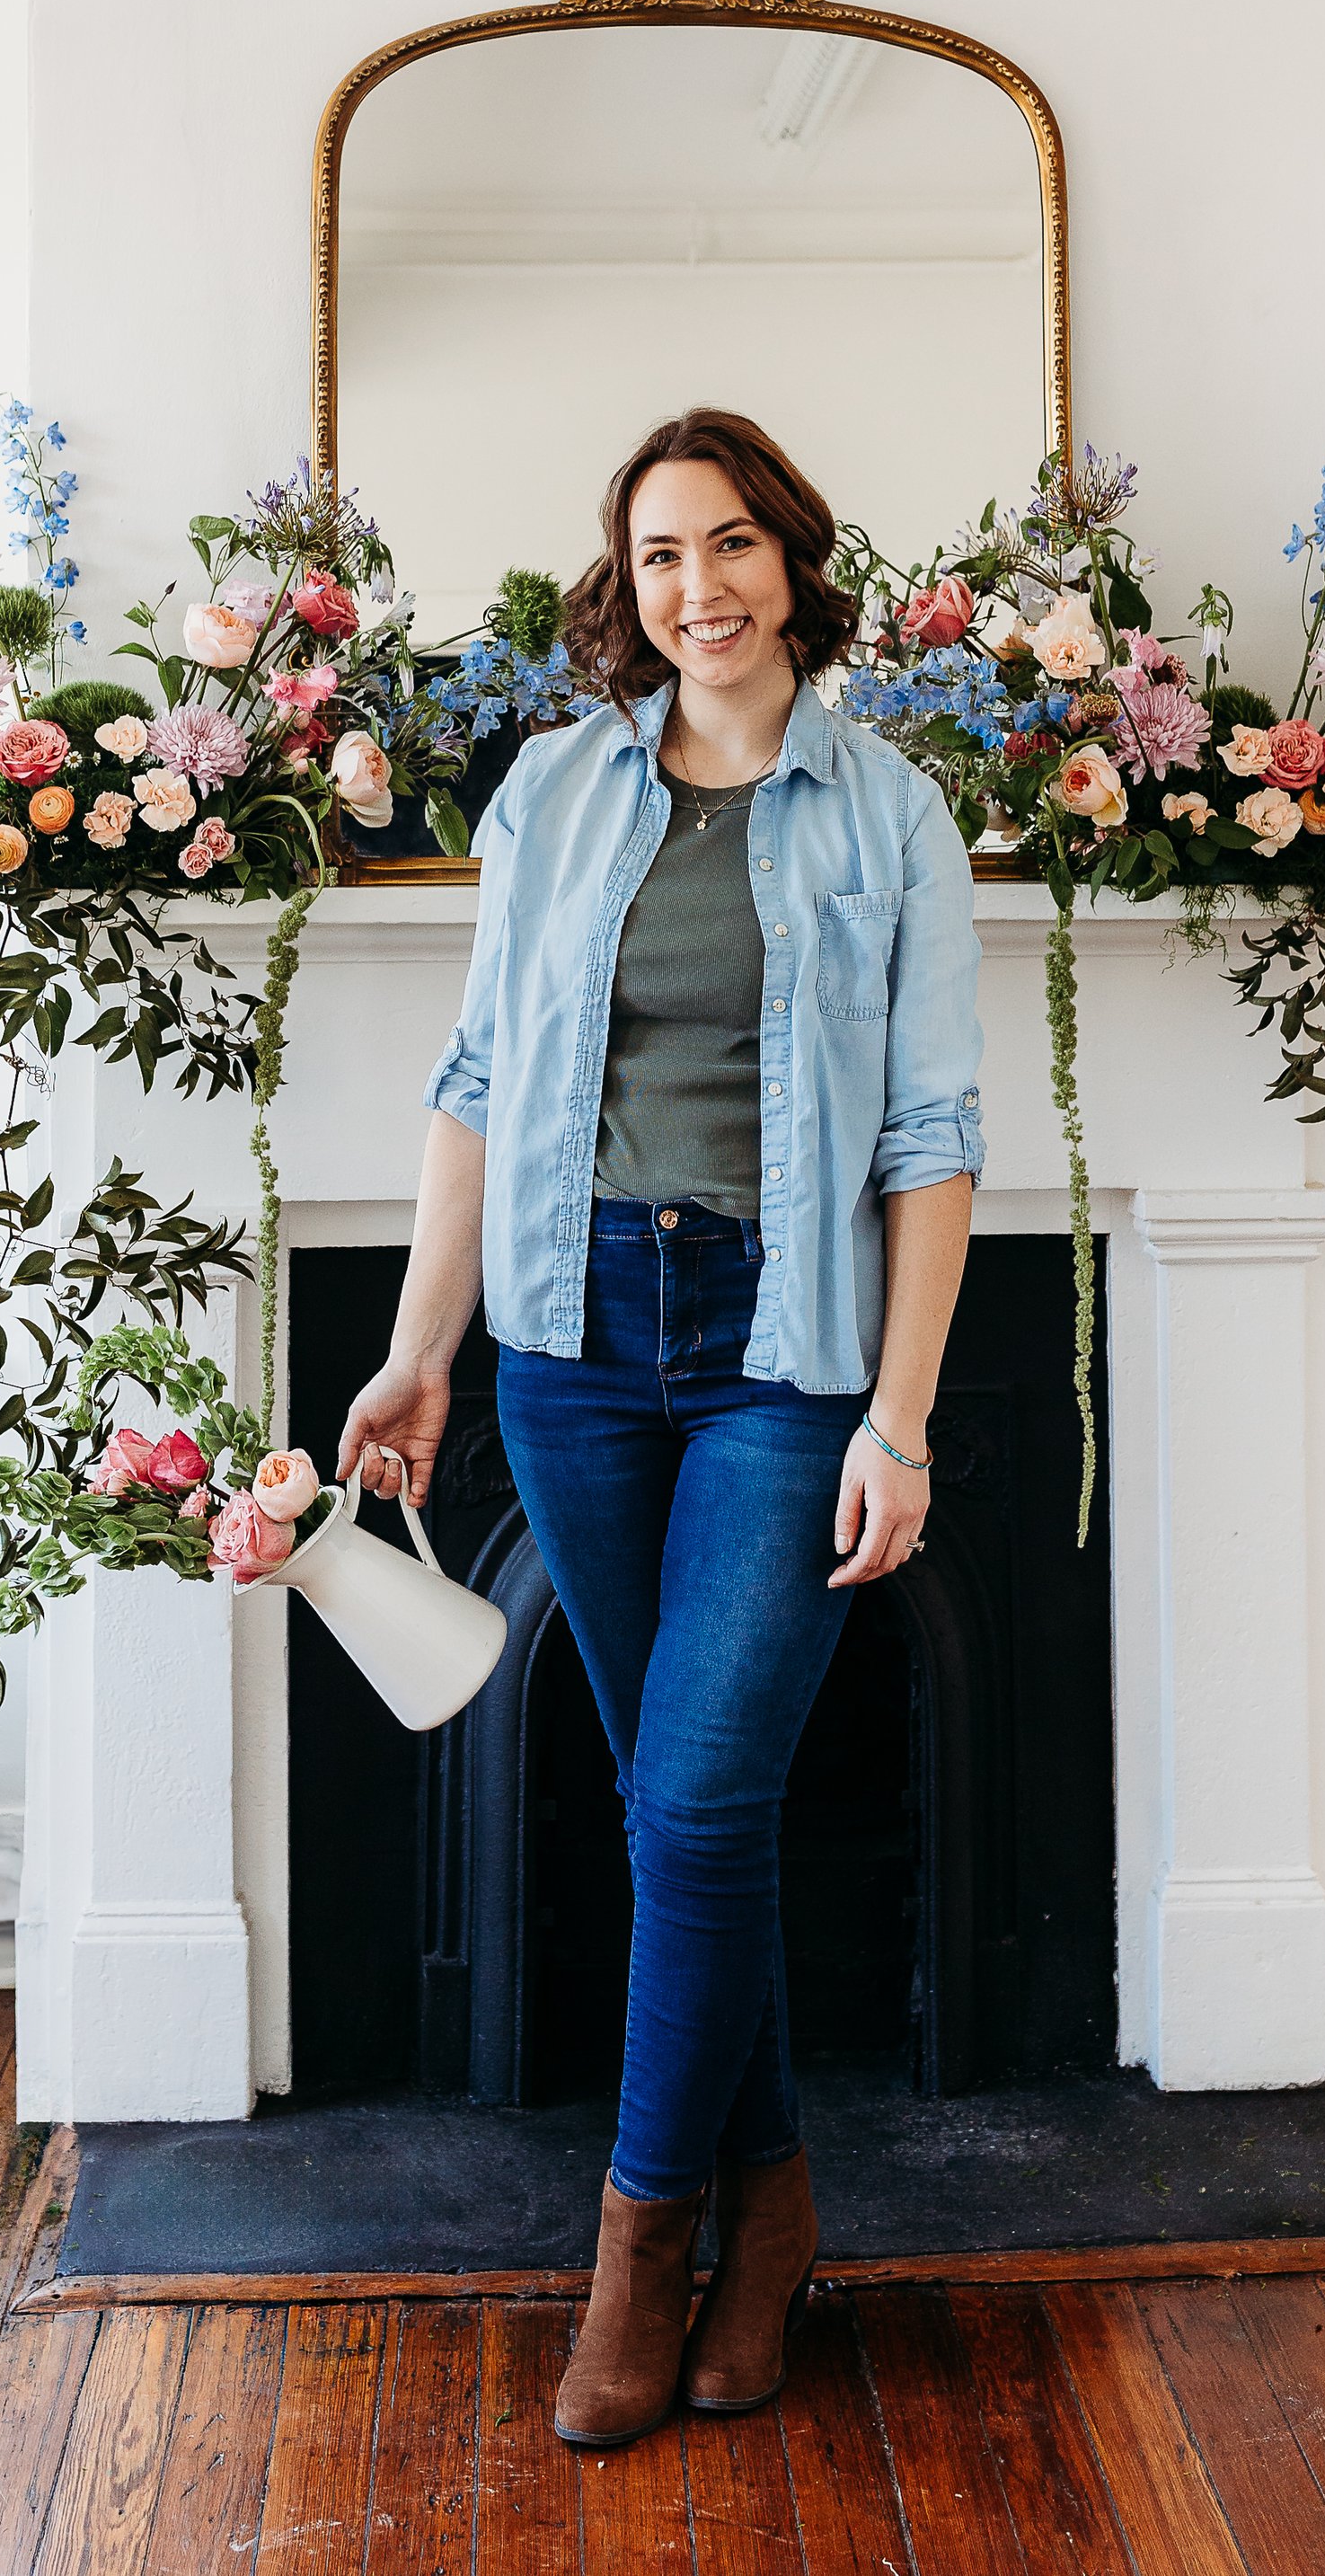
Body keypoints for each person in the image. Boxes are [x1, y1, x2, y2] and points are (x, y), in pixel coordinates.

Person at [335, 406, 983, 2448]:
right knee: (675, 1809)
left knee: (695, 1806)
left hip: (786, 1352)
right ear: (628, 585)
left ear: (791, 558)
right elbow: (477, 1079)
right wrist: (422, 1347)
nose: (699, 587)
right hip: (575, 1340)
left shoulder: (889, 813)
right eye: (660, 555)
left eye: (732, 544)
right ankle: (771, 2212)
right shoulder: (552, 790)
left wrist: (901, 1419)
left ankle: (636, 2248)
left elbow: (933, 1135)